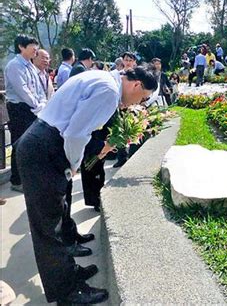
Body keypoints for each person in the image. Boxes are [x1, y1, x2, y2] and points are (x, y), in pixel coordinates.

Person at [16, 67, 157, 304]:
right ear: (136, 85)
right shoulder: (109, 92)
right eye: (142, 98)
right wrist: (73, 165)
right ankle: (67, 292)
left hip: (43, 143)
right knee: (49, 228)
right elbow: (76, 134)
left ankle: (68, 273)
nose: (138, 103)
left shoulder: (102, 78)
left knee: (57, 221)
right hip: (44, 150)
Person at [4, 34, 46, 192]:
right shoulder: (15, 65)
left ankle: (29, 177)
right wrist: (37, 105)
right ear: (21, 47)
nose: (36, 48)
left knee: (32, 143)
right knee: (20, 143)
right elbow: (23, 91)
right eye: (32, 45)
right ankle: (17, 180)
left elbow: (39, 89)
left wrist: (41, 104)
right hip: (20, 109)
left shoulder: (30, 66)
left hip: (33, 109)